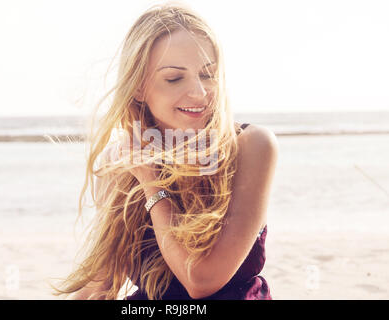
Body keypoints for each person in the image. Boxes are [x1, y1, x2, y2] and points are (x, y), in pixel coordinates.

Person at [53, 2, 278, 300]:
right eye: (174, 78)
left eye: (208, 74)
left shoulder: (251, 146)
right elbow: (103, 283)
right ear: (138, 88)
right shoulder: (118, 163)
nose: (199, 92)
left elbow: (201, 282)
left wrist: (151, 183)